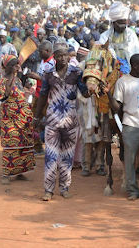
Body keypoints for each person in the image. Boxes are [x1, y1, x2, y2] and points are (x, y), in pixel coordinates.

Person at [35, 42, 90, 201]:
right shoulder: (48, 73)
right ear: (55, 57)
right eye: (59, 55)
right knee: (50, 156)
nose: (63, 58)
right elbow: (43, 96)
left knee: (67, 157)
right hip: (52, 120)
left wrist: (92, 89)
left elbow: (84, 93)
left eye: (65, 55)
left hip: (71, 121)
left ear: (69, 56)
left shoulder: (76, 72)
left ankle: (65, 187)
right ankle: (48, 190)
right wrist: (37, 117)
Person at [106, 54, 139, 202]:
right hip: (130, 126)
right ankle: (133, 191)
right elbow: (117, 107)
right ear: (134, 66)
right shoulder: (123, 82)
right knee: (129, 162)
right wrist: (108, 95)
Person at [0, 55, 35, 184]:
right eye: (15, 65)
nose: (17, 67)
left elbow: (20, 94)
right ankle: (6, 174)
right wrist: (10, 83)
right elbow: (3, 97)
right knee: (11, 143)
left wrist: (27, 92)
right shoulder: (3, 81)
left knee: (23, 143)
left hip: (22, 116)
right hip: (9, 117)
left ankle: (20, 172)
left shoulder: (18, 80)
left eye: (18, 65)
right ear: (8, 67)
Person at [98, 1, 139, 74]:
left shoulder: (131, 34)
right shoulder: (105, 36)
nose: (123, 26)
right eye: (120, 23)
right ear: (113, 23)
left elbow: (136, 52)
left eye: (124, 23)